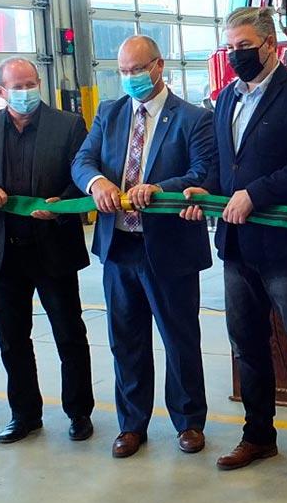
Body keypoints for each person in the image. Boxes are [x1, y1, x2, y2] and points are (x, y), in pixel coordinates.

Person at [180, 6, 287, 483]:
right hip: (237, 245)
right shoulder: (227, 98)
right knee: (246, 345)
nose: (236, 55)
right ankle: (259, 436)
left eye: (244, 47)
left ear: (270, 44)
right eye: (230, 47)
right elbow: (225, 168)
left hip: (286, 246)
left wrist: (255, 194)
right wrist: (207, 191)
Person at [72, 35, 215, 458]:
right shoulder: (110, 113)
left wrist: (160, 188)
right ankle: (132, 424)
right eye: (124, 71)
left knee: (179, 338)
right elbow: (83, 161)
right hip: (120, 247)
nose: (131, 78)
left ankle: (189, 422)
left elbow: (204, 170)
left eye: (138, 69)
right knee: (126, 340)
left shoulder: (192, 117)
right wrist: (96, 182)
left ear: (159, 66)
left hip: (169, 248)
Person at [0, 58, 94, 445]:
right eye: (16, 86)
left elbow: (83, 176)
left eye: (31, 83)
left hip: (53, 248)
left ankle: (79, 412)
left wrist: (62, 202)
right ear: (0, 91)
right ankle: (24, 414)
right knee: (12, 339)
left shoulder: (67, 126)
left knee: (69, 334)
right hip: (5, 253)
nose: (25, 91)